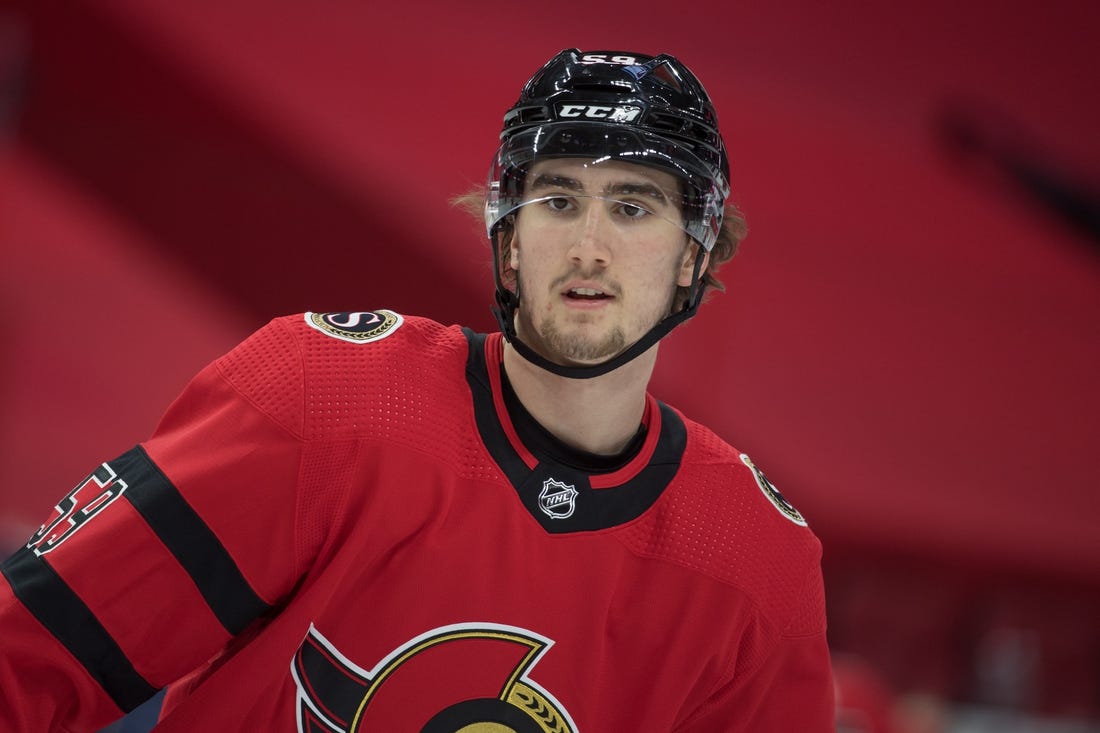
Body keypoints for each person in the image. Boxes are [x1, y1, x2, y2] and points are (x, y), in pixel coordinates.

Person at [0, 48, 833, 731]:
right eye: (557, 198)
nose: (588, 245)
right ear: (507, 239)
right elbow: (31, 650)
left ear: (694, 253)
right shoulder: (322, 396)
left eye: (634, 207)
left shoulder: (756, 567)